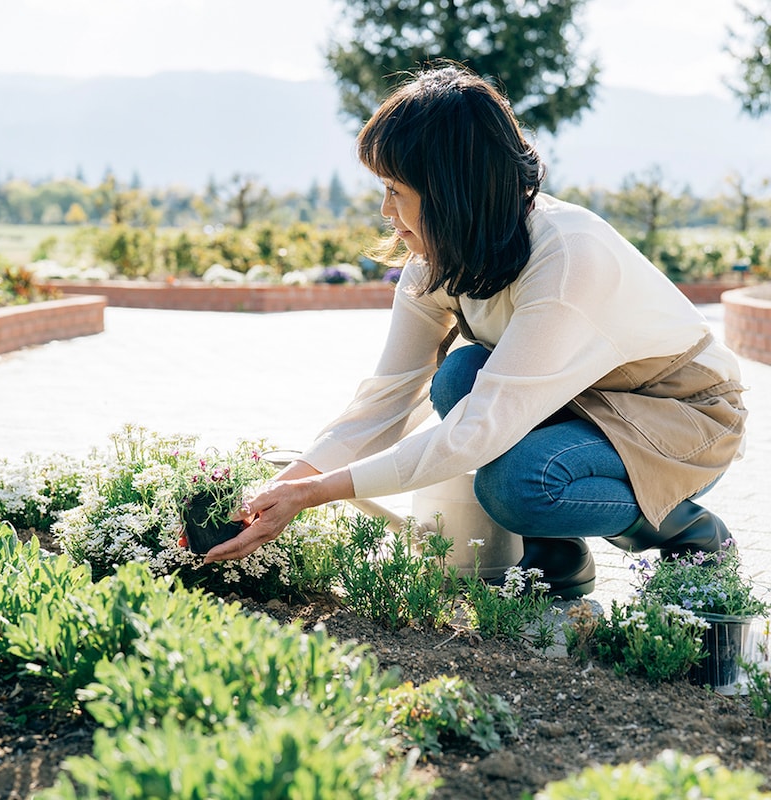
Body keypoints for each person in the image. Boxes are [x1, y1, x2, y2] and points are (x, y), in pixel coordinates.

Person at [204, 64, 747, 600]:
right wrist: (285, 486)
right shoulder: (436, 261)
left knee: (515, 484)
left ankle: (689, 532)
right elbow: (389, 397)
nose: (385, 210)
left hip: (684, 416)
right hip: (585, 406)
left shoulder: (564, 256)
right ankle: (556, 555)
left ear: (447, 189)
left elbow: (478, 432)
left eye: (395, 190)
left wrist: (319, 493)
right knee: (459, 373)